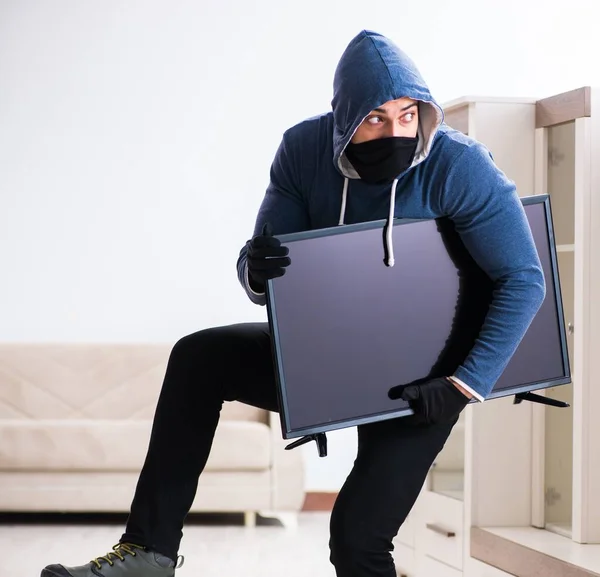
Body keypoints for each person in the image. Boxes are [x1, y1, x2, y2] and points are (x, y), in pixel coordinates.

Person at [41, 29, 545, 577]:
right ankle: (148, 551)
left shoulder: (461, 165)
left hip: (428, 379)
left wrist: (461, 387)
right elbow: (264, 273)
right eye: (375, 119)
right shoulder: (303, 151)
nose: (395, 131)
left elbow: (523, 280)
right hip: (335, 360)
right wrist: (254, 269)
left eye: (407, 115)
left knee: (357, 542)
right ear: (344, 118)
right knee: (199, 357)